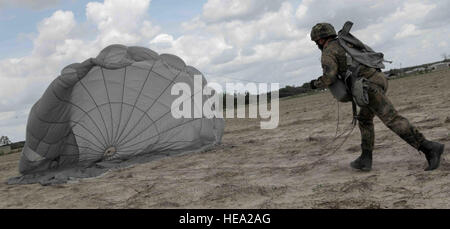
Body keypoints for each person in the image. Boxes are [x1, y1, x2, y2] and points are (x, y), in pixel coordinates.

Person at [309, 22, 445, 171]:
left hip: (369, 87)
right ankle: (365, 159)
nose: (317, 44)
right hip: (379, 78)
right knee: (365, 119)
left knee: (392, 119)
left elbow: (329, 77)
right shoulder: (345, 42)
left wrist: (315, 84)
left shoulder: (328, 51)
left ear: (320, 40)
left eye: (316, 41)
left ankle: (429, 148)